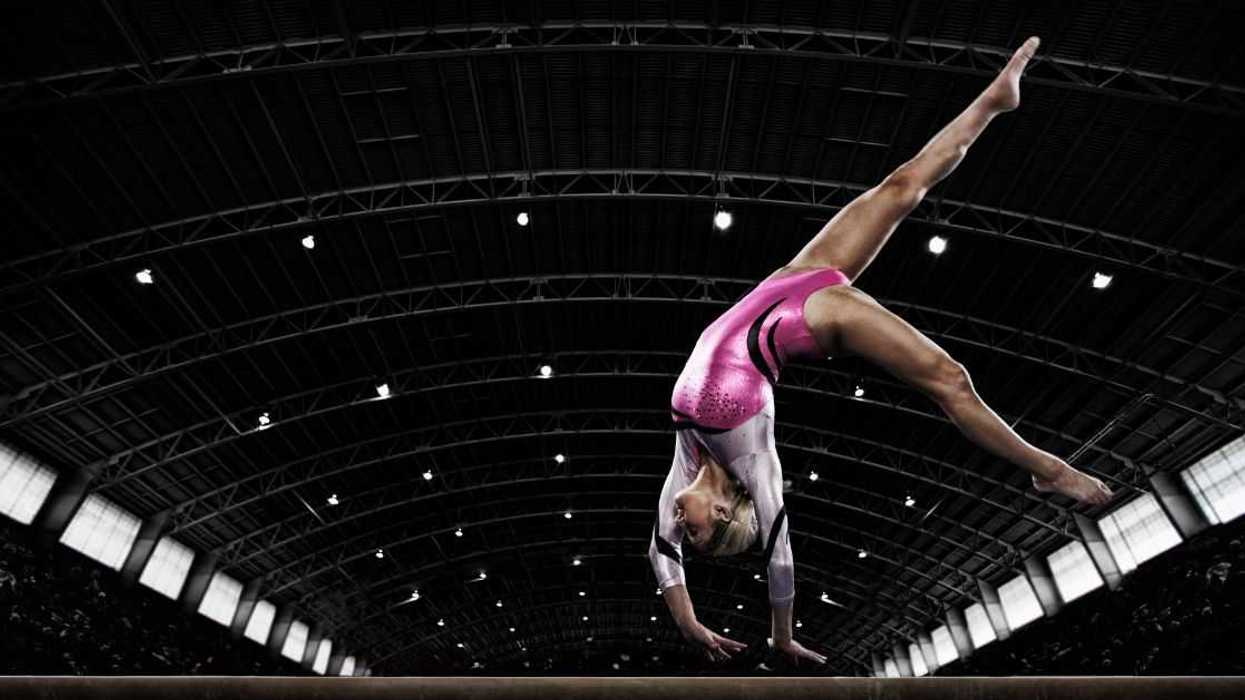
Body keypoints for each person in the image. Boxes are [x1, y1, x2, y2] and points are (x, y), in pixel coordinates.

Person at [647, 36, 1114, 666]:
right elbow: (780, 557)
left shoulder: (684, 464)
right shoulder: (757, 470)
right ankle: (1048, 468)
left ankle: (995, 99)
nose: (683, 524)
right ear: (730, 511)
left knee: (903, 185)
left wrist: (689, 623)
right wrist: (781, 636)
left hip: (788, 279)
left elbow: (659, 554)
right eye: (698, 531)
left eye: (688, 532)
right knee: (949, 378)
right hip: (813, 318)